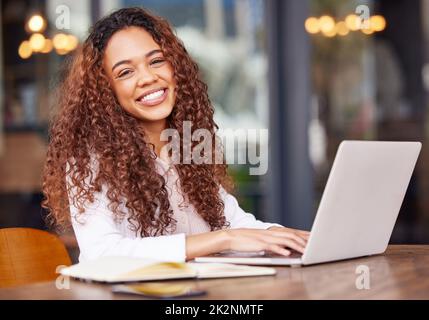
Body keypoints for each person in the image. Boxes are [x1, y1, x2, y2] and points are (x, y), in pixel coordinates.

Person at [42, 7, 309, 262]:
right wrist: (223, 240)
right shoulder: (89, 160)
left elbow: (234, 223)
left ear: (175, 68)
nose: (148, 77)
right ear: (105, 90)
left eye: (156, 61)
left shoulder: (187, 147)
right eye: (125, 72)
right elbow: (103, 253)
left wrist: (286, 237)